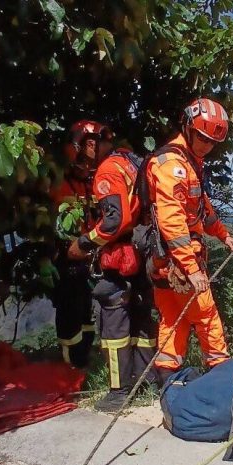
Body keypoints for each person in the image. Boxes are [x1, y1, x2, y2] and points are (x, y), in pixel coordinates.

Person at [144, 97, 233, 384]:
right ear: (187, 127)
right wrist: (193, 269)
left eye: (211, 142)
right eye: (202, 138)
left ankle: (166, 375)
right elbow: (172, 220)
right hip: (179, 262)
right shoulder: (173, 166)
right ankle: (221, 372)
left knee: (173, 318)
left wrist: (223, 235)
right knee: (206, 315)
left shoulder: (187, 163)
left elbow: (201, 210)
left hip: (166, 261)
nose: (206, 146)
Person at [65, 121, 158, 412]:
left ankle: (119, 392)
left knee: (114, 321)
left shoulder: (107, 170)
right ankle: (149, 381)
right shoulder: (130, 160)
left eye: (83, 152)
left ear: (89, 144)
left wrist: (84, 242)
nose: (84, 160)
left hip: (122, 255)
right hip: (145, 250)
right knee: (143, 316)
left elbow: (114, 221)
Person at [48, 120, 102, 368]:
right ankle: (70, 367)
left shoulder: (88, 184)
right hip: (69, 262)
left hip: (87, 262)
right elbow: (62, 229)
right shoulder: (62, 183)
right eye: (89, 144)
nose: (94, 150)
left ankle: (84, 361)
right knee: (71, 317)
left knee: (86, 316)